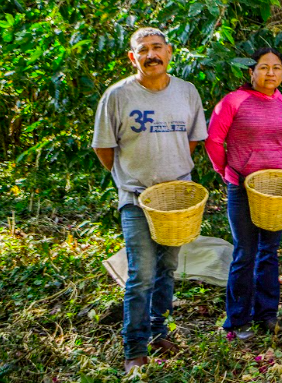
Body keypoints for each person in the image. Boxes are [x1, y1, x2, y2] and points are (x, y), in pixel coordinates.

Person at [91, 27, 208, 375]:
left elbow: (192, 140)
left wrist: (170, 172)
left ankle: (159, 330)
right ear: (133, 57)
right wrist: (132, 178)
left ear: (170, 52)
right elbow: (103, 148)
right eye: (143, 50)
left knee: (167, 268)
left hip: (177, 199)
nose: (151, 54)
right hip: (136, 198)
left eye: (157, 48)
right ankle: (135, 347)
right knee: (141, 273)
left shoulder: (186, 92)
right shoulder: (117, 96)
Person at [206, 48, 282, 339]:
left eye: (277, 68)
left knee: (269, 252)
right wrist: (227, 172)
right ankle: (237, 320)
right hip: (242, 186)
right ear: (252, 72)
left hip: (275, 191)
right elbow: (214, 140)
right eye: (264, 67)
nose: (270, 73)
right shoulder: (234, 101)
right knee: (245, 252)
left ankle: (267, 315)